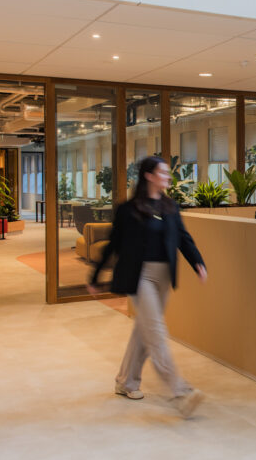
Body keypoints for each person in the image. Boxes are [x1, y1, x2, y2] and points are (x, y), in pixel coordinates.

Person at [87, 155, 208, 418]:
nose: (168, 176)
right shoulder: (128, 209)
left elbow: (183, 239)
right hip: (140, 275)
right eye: (163, 172)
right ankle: (180, 392)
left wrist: (197, 262)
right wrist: (95, 275)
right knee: (155, 330)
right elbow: (113, 244)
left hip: (164, 277)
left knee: (144, 330)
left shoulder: (170, 207)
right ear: (148, 176)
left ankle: (125, 381)